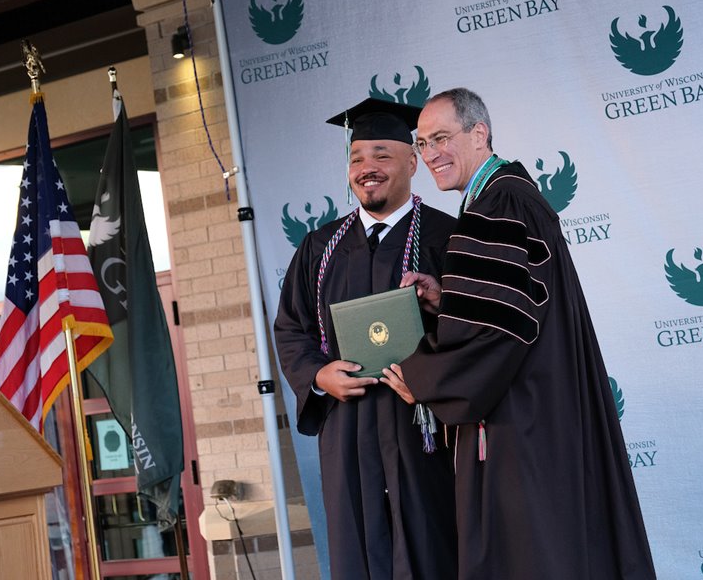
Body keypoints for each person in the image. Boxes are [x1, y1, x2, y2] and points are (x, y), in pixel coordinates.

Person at [380, 88, 657, 579]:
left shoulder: (498, 204)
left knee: (531, 553)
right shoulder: (505, 197)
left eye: (441, 138)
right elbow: (512, 307)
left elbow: (494, 334)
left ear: (479, 133)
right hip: (542, 408)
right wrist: (448, 298)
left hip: (520, 423)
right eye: (422, 145)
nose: (431, 155)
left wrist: (421, 375)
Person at [274, 98, 458, 579]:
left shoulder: (449, 237)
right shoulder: (319, 247)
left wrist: (433, 370)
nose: (366, 169)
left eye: (381, 155)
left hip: (425, 429)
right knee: (358, 553)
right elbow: (291, 327)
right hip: (349, 431)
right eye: (356, 158)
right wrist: (318, 376)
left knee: (435, 547)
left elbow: (477, 329)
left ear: (413, 162)